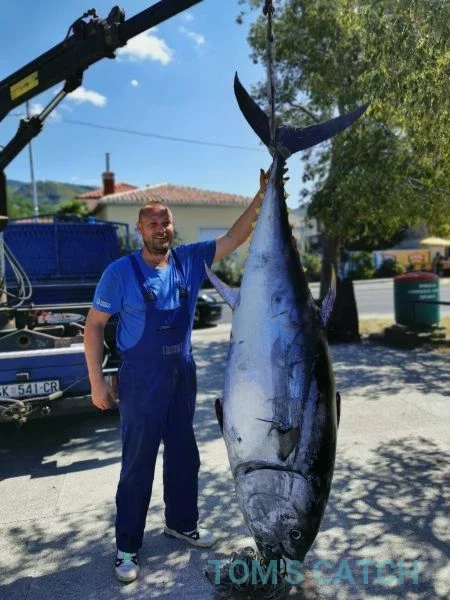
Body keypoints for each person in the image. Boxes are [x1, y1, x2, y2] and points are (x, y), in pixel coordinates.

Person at [84, 169, 268, 583]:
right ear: (139, 229)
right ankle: (127, 546)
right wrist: (97, 381)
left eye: (165, 222)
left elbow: (235, 237)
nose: (160, 228)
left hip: (182, 376)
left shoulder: (189, 259)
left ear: (172, 226)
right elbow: (94, 325)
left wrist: (262, 194)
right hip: (141, 381)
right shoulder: (119, 273)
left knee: (185, 456)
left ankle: (182, 524)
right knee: (138, 464)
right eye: (152, 222)